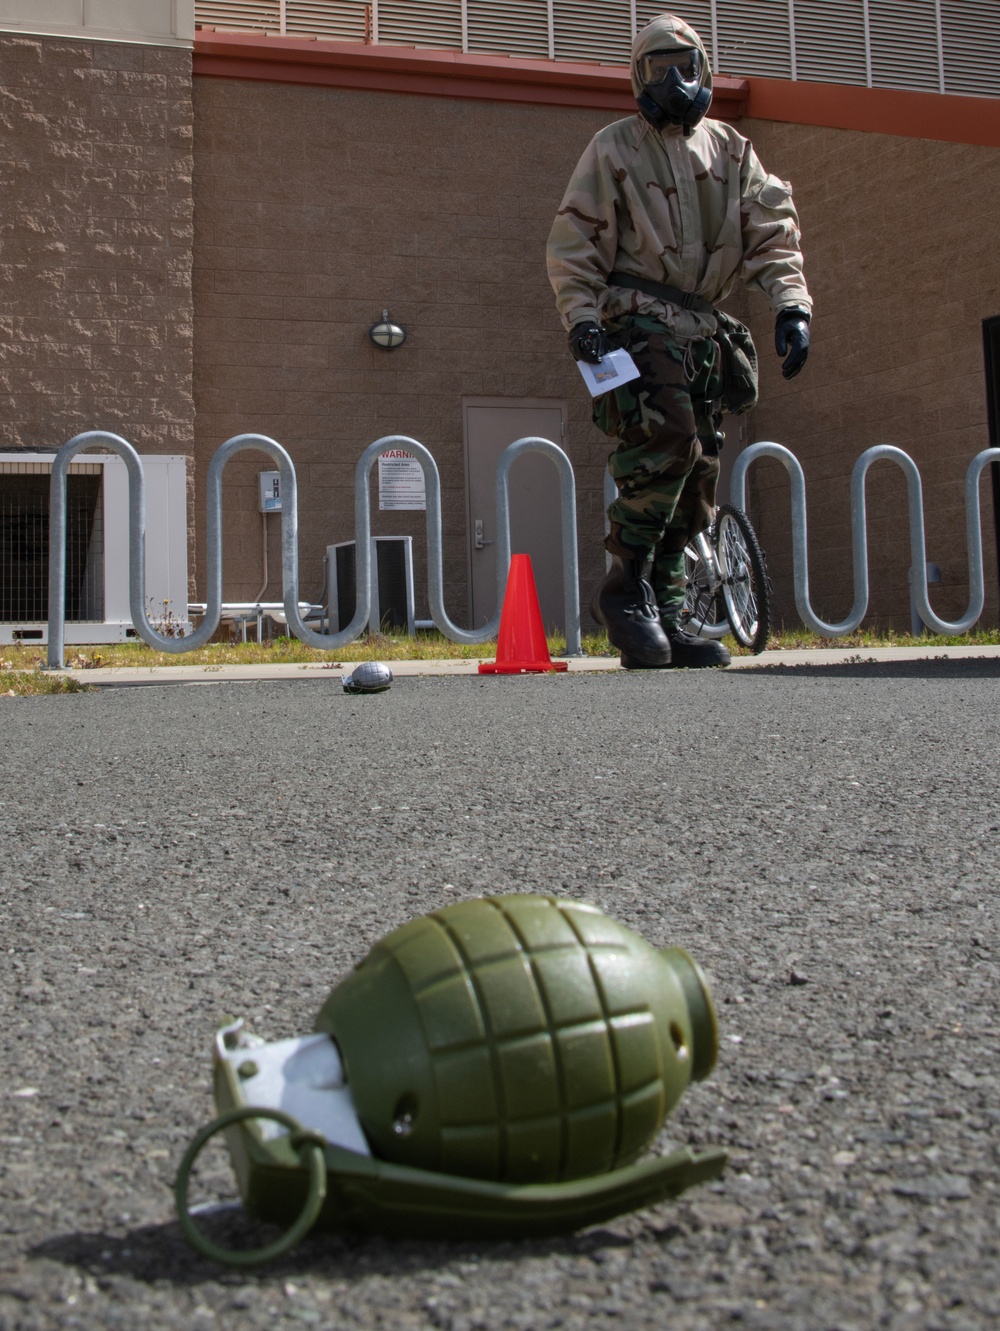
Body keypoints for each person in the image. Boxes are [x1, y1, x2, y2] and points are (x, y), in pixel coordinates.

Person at [546, 12, 812, 669]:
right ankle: (625, 589)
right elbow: (575, 239)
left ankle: (668, 603)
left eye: (684, 66)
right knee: (666, 442)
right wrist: (580, 316)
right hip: (637, 316)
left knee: (699, 465)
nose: (674, 80)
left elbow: (771, 230)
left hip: (703, 324)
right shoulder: (614, 148)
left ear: (705, 70)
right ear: (637, 77)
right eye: (657, 69)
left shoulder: (732, 149)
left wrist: (790, 306)